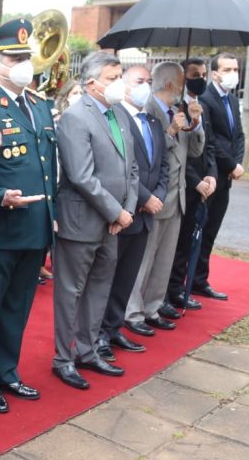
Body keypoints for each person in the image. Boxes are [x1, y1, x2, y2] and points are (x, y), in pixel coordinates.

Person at [0, 19, 56, 414]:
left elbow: (49, 167)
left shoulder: (39, 105)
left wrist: (52, 214)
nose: (23, 65)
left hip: (33, 227)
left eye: (25, 57)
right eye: (14, 59)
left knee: (17, 307)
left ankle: (8, 371)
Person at [52, 51, 138, 389]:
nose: (119, 84)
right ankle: (63, 359)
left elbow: (131, 168)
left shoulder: (119, 114)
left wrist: (126, 210)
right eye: (112, 78)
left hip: (113, 223)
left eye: (120, 76)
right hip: (81, 222)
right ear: (91, 83)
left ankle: (87, 352)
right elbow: (81, 176)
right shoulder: (76, 117)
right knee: (70, 293)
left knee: (99, 289)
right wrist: (116, 211)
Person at [124, 62, 205, 337]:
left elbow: (194, 152)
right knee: (143, 261)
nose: (186, 88)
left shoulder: (178, 111)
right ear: (171, 84)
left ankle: (152, 307)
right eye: (182, 82)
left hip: (177, 196)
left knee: (164, 260)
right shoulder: (148, 110)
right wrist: (170, 131)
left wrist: (195, 124)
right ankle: (132, 312)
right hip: (156, 196)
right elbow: (150, 154)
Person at [95, 65, 167, 361]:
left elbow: (162, 165)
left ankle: (114, 328)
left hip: (146, 216)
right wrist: (144, 198)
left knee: (127, 277)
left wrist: (158, 196)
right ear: (124, 84)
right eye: (139, 81)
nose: (145, 86)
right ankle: (97, 334)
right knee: (107, 278)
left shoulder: (153, 121)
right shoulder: (115, 117)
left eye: (149, 81)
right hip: (122, 212)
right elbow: (122, 169)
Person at [166, 58, 218, 312]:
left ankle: (179, 287)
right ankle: (170, 290)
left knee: (189, 240)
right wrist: (195, 181)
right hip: (183, 184)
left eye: (204, 74)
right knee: (175, 243)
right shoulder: (175, 108)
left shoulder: (201, 107)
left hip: (203, 183)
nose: (201, 79)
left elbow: (208, 146)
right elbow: (177, 154)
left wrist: (211, 175)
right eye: (195, 74)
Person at [193, 52, 245, 301]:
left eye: (235, 69)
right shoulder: (205, 99)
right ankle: (188, 280)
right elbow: (211, 141)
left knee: (211, 231)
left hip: (226, 177)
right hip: (211, 173)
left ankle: (199, 280)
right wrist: (231, 164)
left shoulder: (232, 100)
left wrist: (238, 162)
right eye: (227, 70)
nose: (233, 74)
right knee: (199, 230)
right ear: (215, 74)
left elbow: (238, 135)